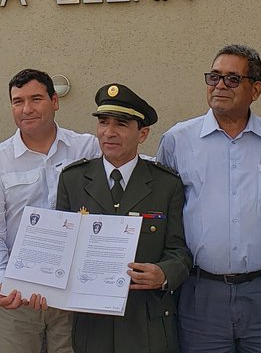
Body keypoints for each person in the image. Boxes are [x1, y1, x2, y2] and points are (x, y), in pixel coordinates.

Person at [156, 44, 261, 353]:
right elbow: (163, 212)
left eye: (233, 79)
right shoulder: (177, 140)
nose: (220, 85)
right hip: (201, 293)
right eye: (214, 77)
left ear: (256, 90)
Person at [57, 83, 192, 353]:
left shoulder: (166, 184)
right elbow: (62, 249)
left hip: (146, 322)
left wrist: (164, 274)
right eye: (103, 122)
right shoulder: (73, 180)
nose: (109, 132)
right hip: (93, 325)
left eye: (121, 124)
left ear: (143, 133)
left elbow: (180, 251)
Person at [0, 68, 100, 353]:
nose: (26, 109)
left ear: (55, 101)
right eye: (18, 101)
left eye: (36, 99)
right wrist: (4, 281)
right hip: (18, 296)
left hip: (74, 293)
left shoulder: (87, 149)